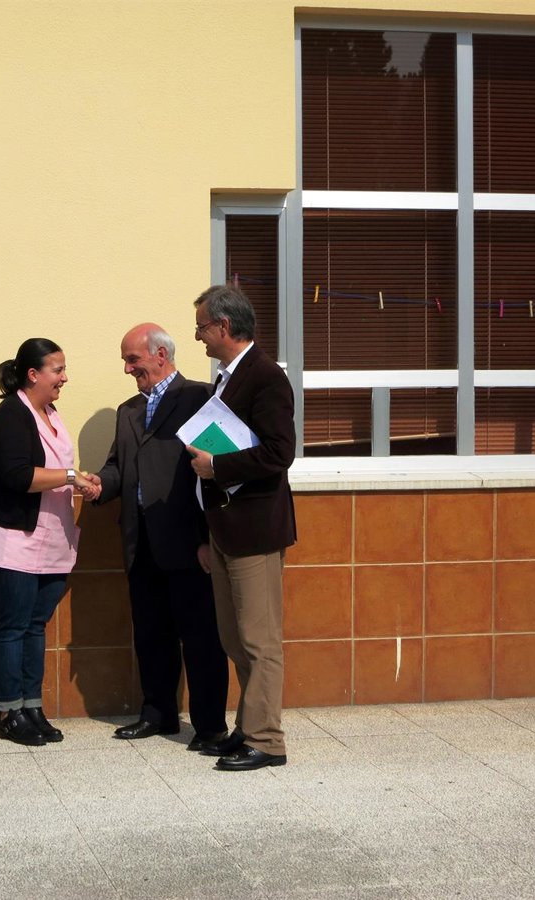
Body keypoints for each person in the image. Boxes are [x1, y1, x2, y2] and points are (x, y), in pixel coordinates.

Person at [95, 324, 231, 749]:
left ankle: (210, 727)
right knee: (151, 634)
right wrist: (99, 484)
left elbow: (216, 472)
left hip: (189, 543)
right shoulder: (128, 411)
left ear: (160, 355)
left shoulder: (201, 398)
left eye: (132, 359)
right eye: (125, 361)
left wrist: (208, 537)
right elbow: (119, 466)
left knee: (201, 638)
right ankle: (158, 713)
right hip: (141, 542)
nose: (127, 369)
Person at [0, 339, 101, 745]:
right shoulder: (12, 414)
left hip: (49, 541)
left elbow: (58, 469)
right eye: (57, 370)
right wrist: (72, 477)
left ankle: (31, 706)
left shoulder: (51, 413)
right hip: (11, 541)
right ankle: (10, 712)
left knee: (34, 626)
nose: (64, 378)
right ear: (32, 374)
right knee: (10, 626)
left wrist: (83, 479)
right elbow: (18, 476)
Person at [189, 284, 297, 771]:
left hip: (254, 529)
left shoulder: (266, 376)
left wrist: (217, 466)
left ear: (224, 326)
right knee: (234, 638)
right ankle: (248, 727)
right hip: (225, 527)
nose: (198, 336)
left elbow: (279, 453)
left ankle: (267, 740)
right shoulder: (227, 377)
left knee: (259, 639)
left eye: (202, 327)